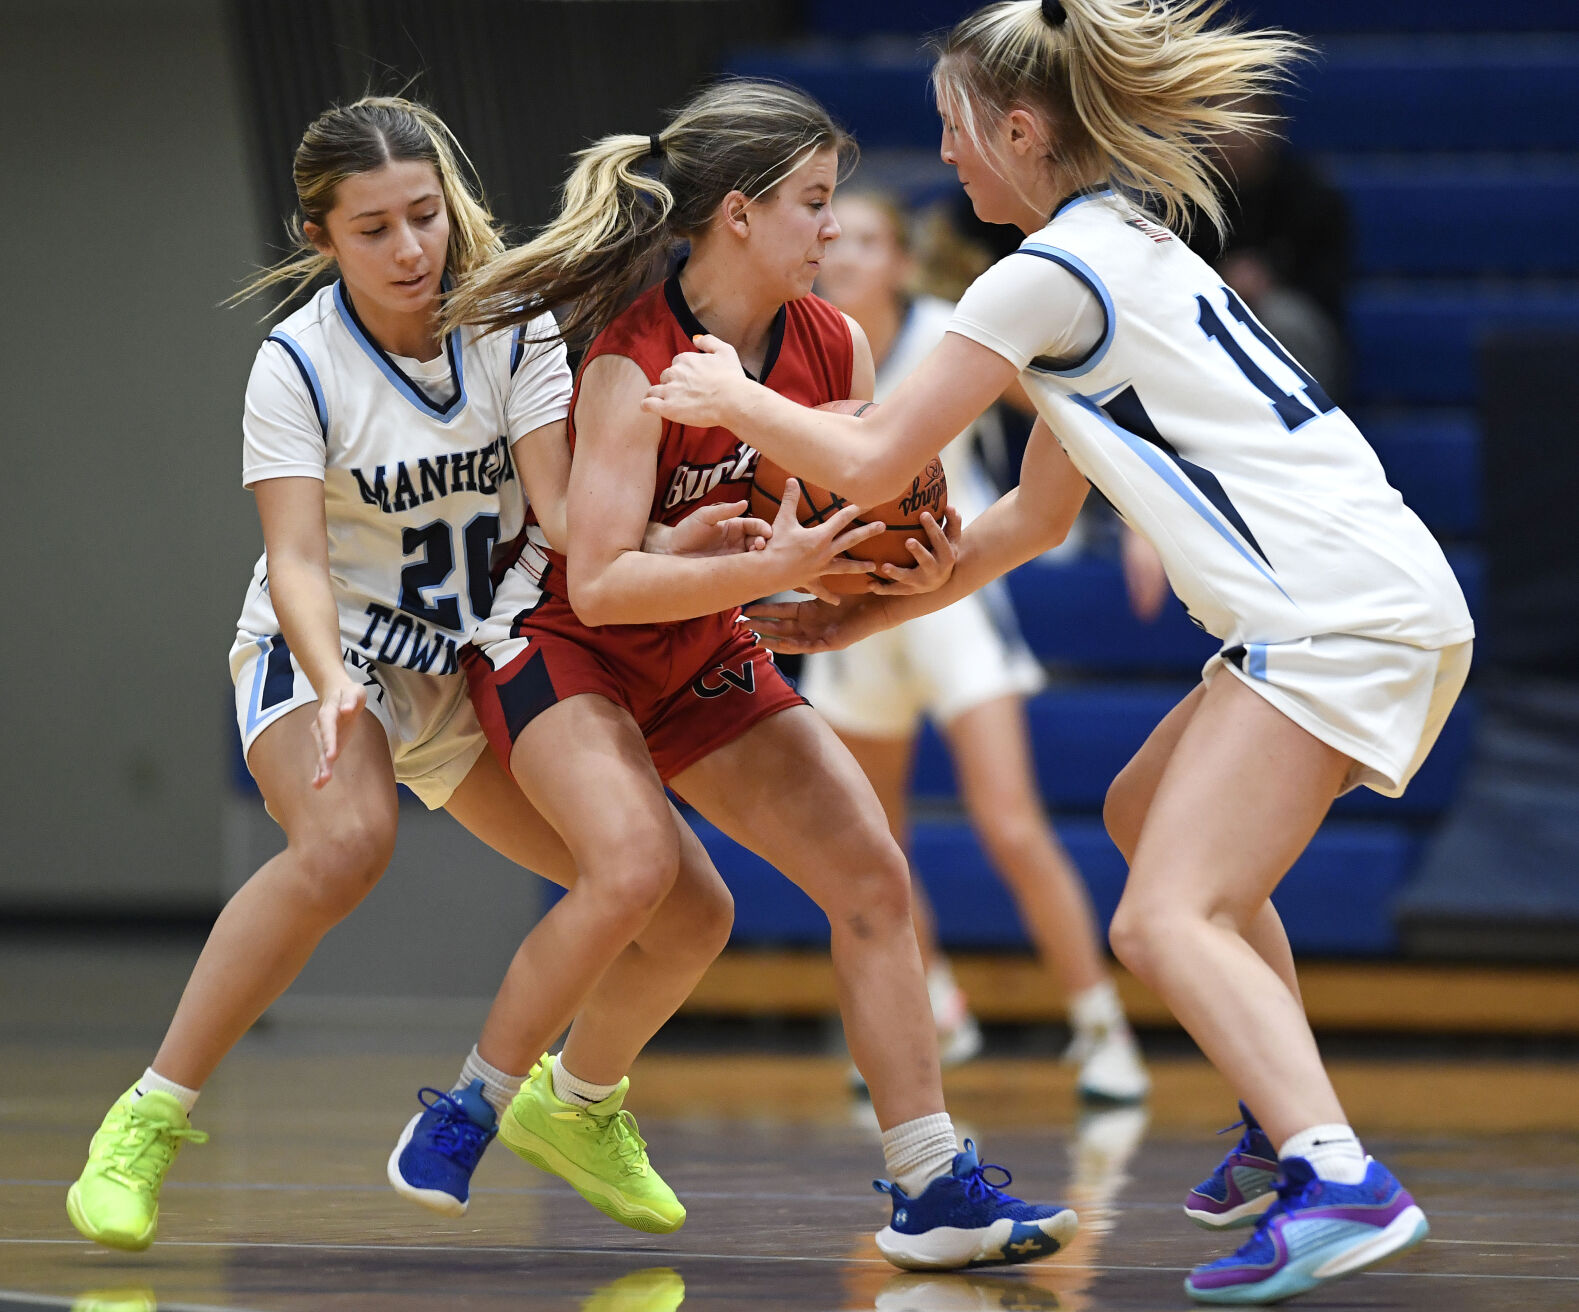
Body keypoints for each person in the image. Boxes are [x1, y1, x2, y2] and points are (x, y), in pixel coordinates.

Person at [643, 2, 1473, 1303]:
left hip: (1331, 613)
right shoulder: (1114, 250)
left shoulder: (1039, 279)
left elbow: (866, 461)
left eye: (954, 131)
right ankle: (1278, 1114)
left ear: (1019, 129)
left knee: (1159, 914)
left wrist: (722, 393)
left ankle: (1338, 1177)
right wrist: (843, 620)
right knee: (1145, 815)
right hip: (1358, 598)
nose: (947, 160)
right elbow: (1027, 520)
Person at [67, 95, 755, 1252]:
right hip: (332, 651)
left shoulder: (514, 331)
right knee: (346, 842)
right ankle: (149, 1113)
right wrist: (332, 673)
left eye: (425, 216)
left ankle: (579, 1104)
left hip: (476, 657)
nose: (411, 249)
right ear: (320, 239)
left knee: (684, 910)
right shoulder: (297, 363)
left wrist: (662, 553)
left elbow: (561, 519)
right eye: (374, 227)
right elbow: (292, 555)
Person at [420, 78, 1078, 1271]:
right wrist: (771, 570)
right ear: (737, 213)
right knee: (649, 881)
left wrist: (860, 588)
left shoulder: (835, 343)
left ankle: (929, 1185)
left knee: (870, 875)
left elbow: (845, 538)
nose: (834, 230)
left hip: (708, 647)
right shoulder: (634, 356)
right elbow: (609, 582)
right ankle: (475, 1102)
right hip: (566, 647)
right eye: (814, 205)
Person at [807, 188, 1147, 1102]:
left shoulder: (946, 340)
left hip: (950, 599)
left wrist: (1140, 518)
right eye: (835, 237)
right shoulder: (803, 353)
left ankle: (1098, 1027)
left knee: (1008, 821)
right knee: (871, 842)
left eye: (868, 239)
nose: (843, 255)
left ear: (901, 262)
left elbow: (1075, 407)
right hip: (851, 605)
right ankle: (933, 1005)